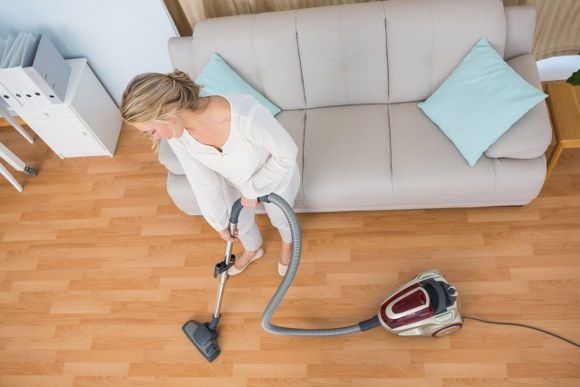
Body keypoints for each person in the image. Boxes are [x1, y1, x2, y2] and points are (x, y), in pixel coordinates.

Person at [120, 70, 300, 276]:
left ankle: (287, 245)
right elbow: (202, 181)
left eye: (152, 131)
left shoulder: (244, 114)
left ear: (167, 112)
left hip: (276, 179)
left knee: (281, 219)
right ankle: (253, 249)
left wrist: (252, 190)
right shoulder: (179, 137)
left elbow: (287, 154)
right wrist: (218, 222)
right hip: (235, 184)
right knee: (239, 223)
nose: (156, 138)